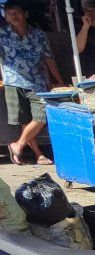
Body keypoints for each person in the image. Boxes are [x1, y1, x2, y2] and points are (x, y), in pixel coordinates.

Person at [1, 0, 65, 166]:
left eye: (16, 12)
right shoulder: (2, 35)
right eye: (9, 13)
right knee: (24, 120)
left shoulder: (39, 35)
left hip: (37, 81)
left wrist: (59, 80)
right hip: (13, 81)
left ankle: (18, 145)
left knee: (42, 115)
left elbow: (48, 58)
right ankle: (38, 154)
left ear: (26, 14)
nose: (13, 16)